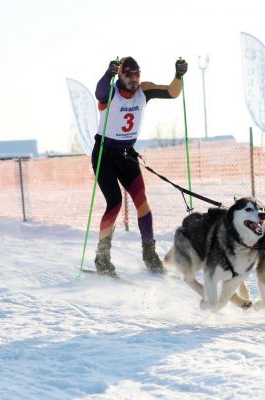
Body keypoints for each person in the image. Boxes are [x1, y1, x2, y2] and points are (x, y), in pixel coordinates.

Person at [92, 56, 188, 275]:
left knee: (142, 201)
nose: (134, 79)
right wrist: (108, 74)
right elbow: (99, 93)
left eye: (137, 74)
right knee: (114, 203)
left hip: (127, 153)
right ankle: (102, 258)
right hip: (104, 154)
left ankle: (149, 254)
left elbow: (173, 93)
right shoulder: (111, 92)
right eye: (129, 75)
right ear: (120, 75)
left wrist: (179, 75)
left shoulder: (144, 91)